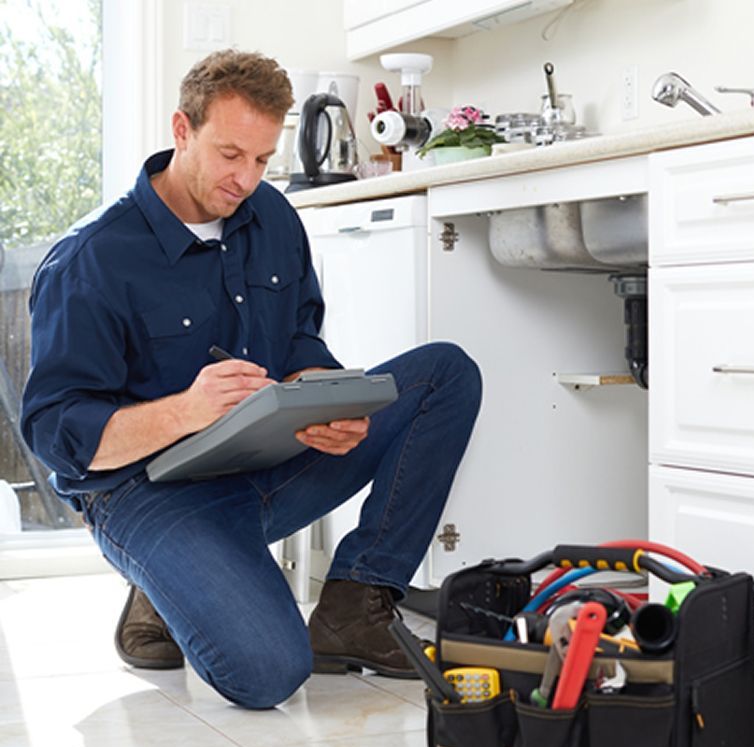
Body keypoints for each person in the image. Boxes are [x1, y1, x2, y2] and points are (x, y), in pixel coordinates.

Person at [19, 49, 481, 709]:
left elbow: (298, 335)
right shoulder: (92, 259)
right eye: (230, 155)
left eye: (263, 160)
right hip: (148, 492)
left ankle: (354, 604)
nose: (246, 179)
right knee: (267, 676)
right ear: (182, 130)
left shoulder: (272, 218)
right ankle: (165, 575)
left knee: (445, 374)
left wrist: (322, 394)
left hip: (266, 461)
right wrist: (187, 410)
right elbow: (55, 436)